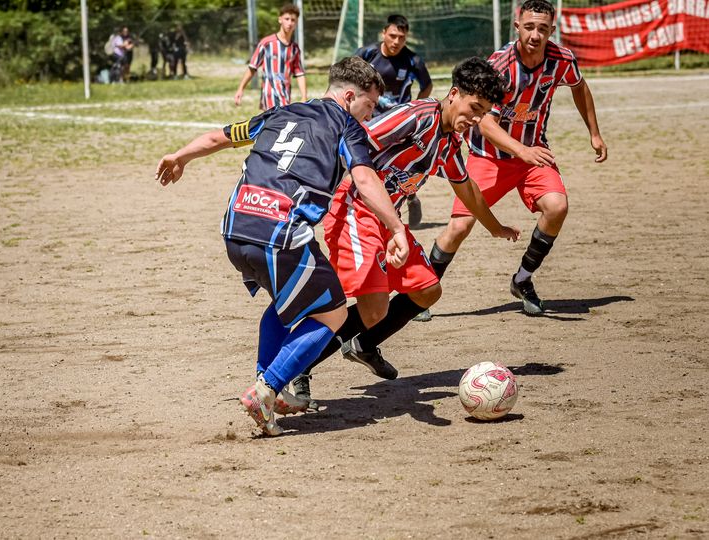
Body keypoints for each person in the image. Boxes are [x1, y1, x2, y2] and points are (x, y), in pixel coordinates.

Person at [155, 57, 409, 436]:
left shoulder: (279, 111)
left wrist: (179, 156)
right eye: (370, 105)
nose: (370, 115)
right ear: (350, 95)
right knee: (334, 313)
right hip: (278, 233)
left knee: (284, 302)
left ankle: (271, 385)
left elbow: (217, 137)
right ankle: (268, 387)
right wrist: (396, 227)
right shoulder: (346, 126)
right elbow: (366, 180)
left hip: (235, 228)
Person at [291, 57, 521, 410]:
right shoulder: (415, 115)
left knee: (427, 290)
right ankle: (296, 366)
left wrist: (495, 227)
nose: (476, 119)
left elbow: (466, 188)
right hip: (354, 207)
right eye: (474, 108)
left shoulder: (446, 143)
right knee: (370, 307)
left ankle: (364, 344)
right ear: (454, 94)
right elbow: (356, 139)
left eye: (484, 113)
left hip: (388, 221)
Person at [422, 0, 608, 319]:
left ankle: (522, 280)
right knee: (459, 226)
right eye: (530, 26)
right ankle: (422, 290)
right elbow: (485, 121)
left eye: (544, 28)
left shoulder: (562, 59)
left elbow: (580, 86)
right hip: (489, 157)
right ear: (517, 26)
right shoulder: (499, 65)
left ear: (552, 30)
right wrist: (521, 150)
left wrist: (594, 131)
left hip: (534, 152)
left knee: (557, 207)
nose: (536, 34)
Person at [356, 14, 434, 229]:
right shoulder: (367, 54)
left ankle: (410, 198)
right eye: (392, 36)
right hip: (370, 120)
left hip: (400, 123)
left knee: (400, 165)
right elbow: (350, 77)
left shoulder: (412, 60)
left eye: (401, 37)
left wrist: (415, 109)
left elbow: (427, 85)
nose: (396, 41)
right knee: (368, 161)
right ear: (383, 33)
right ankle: (369, 206)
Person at [234, 3, 307, 110]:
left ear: (296, 23)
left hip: (285, 97)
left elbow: (300, 74)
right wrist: (240, 89)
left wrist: (304, 96)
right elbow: (252, 67)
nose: (289, 23)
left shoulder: (294, 48)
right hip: (269, 96)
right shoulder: (267, 43)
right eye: (286, 19)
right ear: (280, 20)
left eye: (293, 20)